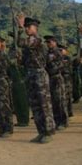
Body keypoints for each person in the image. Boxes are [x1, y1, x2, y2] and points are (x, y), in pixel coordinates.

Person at [17, 15, 55, 144]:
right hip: (31, 75)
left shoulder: (37, 40)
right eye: (25, 27)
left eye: (29, 27)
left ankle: (48, 132)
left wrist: (19, 28)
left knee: (44, 104)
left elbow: (20, 42)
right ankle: (41, 131)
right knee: (35, 106)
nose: (27, 29)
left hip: (39, 75)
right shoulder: (29, 44)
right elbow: (24, 59)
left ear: (35, 28)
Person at [44, 36, 68, 130]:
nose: (48, 44)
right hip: (50, 78)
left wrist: (51, 70)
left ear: (54, 42)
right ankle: (57, 121)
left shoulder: (58, 52)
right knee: (53, 101)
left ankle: (63, 121)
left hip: (57, 78)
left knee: (60, 101)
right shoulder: (47, 53)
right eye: (47, 42)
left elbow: (60, 65)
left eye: (50, 42)